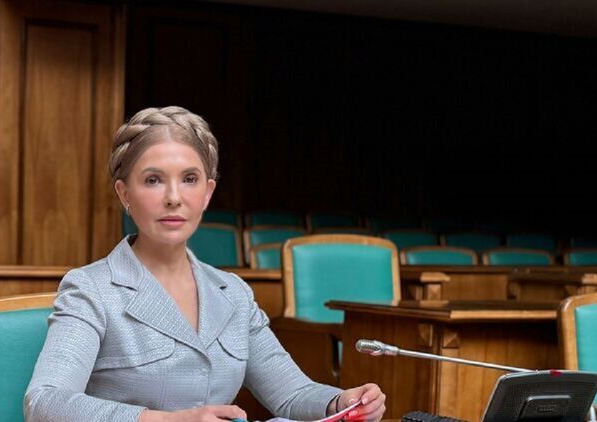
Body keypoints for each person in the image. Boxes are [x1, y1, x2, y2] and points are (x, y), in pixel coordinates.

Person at [24, 106, 386, 422]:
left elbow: (292, 394)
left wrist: (342, 402)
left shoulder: (235, 294)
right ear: (124, 194)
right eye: (153, 180)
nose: (173, 198)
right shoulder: (91, 288)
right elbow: (44, 402)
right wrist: (165, 421)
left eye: (189, 179)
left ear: (207, 193)